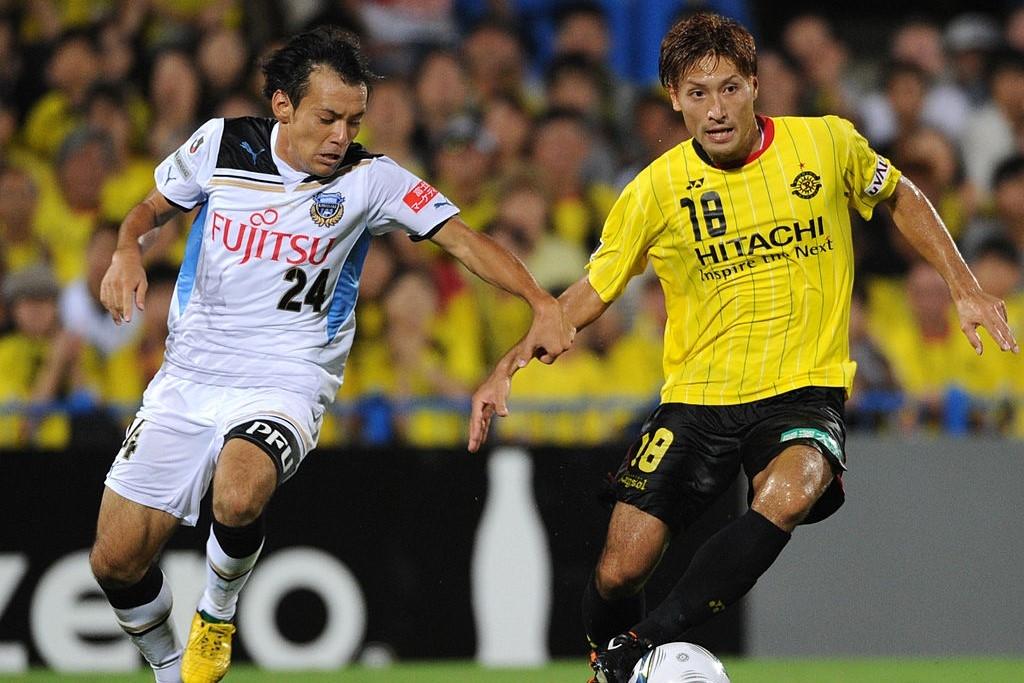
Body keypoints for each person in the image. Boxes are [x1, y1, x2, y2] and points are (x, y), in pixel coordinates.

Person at [467, 13, 1020, 683]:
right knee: (619, 569)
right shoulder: (654, 190)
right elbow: (593, 289)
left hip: (803, 388)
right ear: (674, 99)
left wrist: (964, 285)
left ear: (755, 84)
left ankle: (641, 644)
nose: (716, 109)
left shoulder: (825, 144)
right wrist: (509, 364)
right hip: (698, 398)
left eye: (729, 88)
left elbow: (900, 193)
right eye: (697, 94)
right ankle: (616, 663)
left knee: (792, 488)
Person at [89, 25, 573, 683]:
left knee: (239, 490)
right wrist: (126, 250)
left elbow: (463, 239)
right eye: (327, 118)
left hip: (287, 379)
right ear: (283, 105)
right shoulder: (220, 144)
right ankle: (172, 673)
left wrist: (540, 300)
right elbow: (148, 209)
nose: (341, 136)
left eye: (353, 121)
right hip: (189, 374)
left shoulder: (371, 179)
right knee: (115, 561)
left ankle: (216, 614)